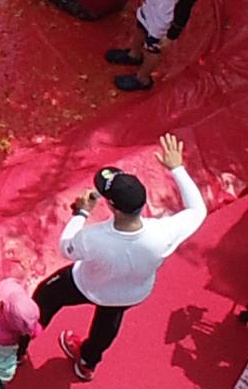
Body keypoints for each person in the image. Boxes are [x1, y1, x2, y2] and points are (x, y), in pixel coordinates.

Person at [31, 135, 205, 374]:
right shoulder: (163, 232)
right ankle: (88, 362)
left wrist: (81, 213)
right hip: (131, 294)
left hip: (86, 285)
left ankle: (18, 347)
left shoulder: (94, 238)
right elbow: (198, 209)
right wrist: (177, 168)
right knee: (108, 324)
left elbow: (65, 248)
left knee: (46, 295)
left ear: (112, 206)